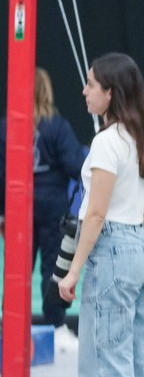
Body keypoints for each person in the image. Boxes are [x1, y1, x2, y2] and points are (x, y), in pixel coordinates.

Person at [58, 53, 144, 377]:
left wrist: (73, 271)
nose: (84, 91)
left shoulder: (106, 142)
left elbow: (96, 213)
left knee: (104, 362)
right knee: (134, 361)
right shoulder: (143, 138)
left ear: (110, 93)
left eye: (91, 84)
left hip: (114, 248)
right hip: (141, 246)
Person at [0, 68, 88, 350]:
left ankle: (9, 326)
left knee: (16, 269)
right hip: (51, 207)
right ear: (47, 91)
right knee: (54, 266)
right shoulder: (58, 126)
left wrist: (2, 212)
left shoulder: (8, 126)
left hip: (18, 206)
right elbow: (76, 166)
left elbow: (1, 171)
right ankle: (56, 327)